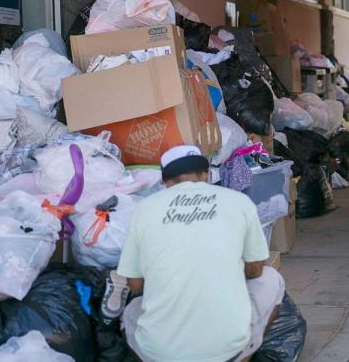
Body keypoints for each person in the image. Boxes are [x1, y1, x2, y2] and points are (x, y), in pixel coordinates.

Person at [112, 145, 285, 361]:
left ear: (165, 181)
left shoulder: (143, 209)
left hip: (162, 352)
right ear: (205, 175)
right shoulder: (239, 202)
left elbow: (135, 285)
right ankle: (241, 356)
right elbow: (255, 270)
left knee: (130, 311)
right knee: (271, 279)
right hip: (226, 346)